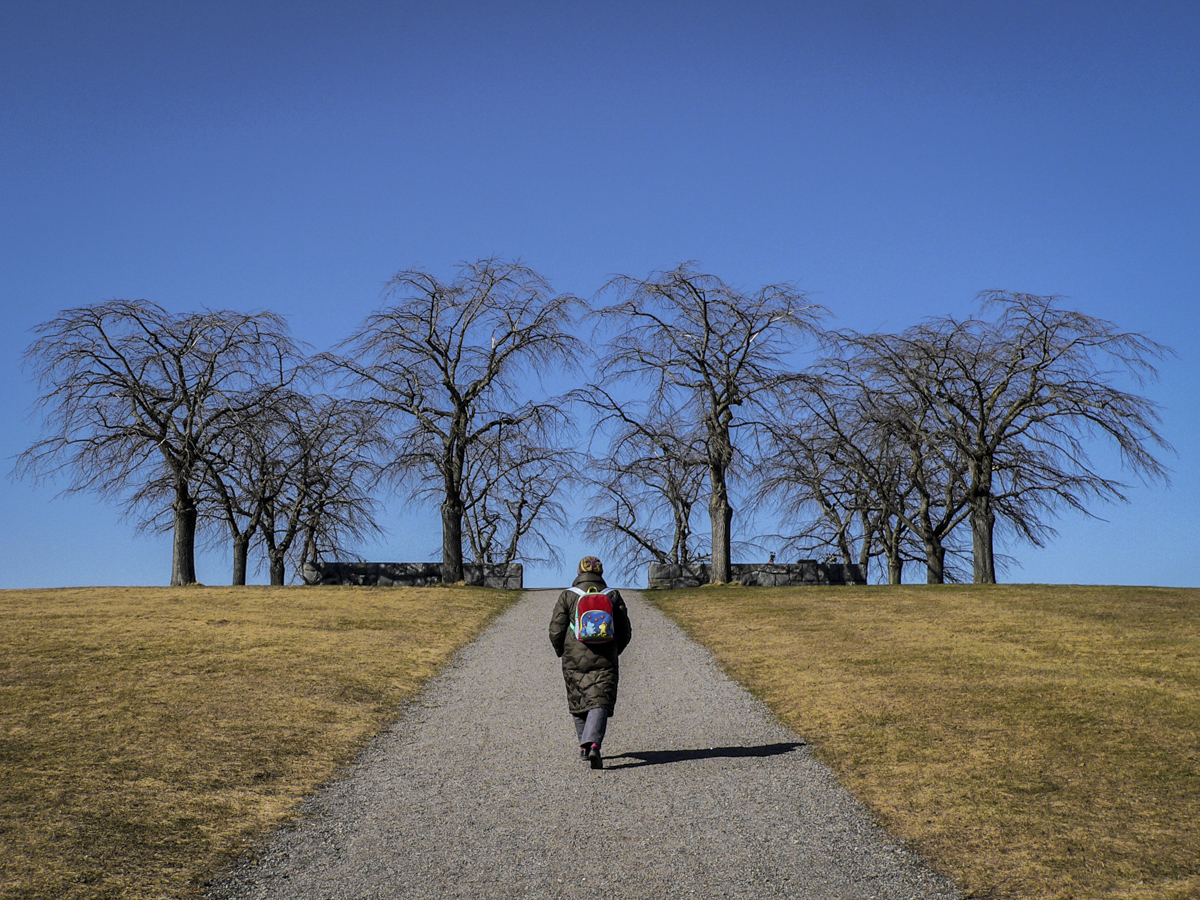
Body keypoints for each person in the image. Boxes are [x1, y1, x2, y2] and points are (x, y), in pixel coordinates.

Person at [548, 556, 632, 769]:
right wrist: (615, 650)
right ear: (601, 573)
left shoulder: (568, 595)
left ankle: (584, 747)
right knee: (600, 699)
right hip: (605, 656)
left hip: (573, 656)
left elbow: (556, 629)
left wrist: (561, 651)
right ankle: (594, 743)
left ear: (579, 572)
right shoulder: (612, 595)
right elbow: (625, 631)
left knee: (578, 697)